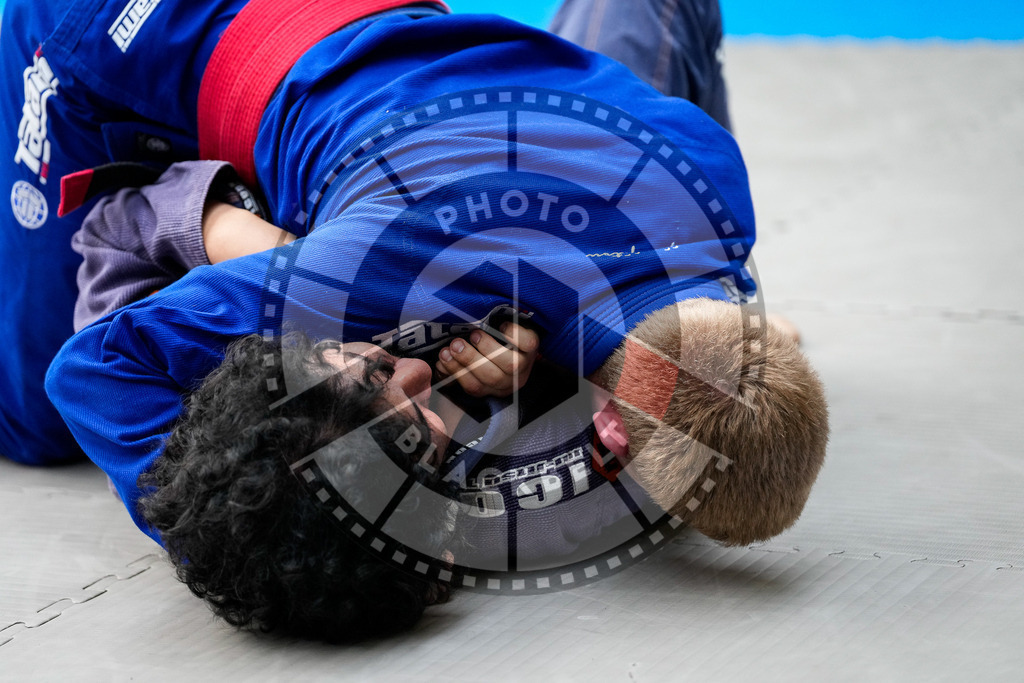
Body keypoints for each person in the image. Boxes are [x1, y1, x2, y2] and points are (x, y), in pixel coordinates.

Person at [4, 0, 828, 638]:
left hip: (396, 36)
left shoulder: (715, 181)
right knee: (33, 425)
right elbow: (92, 370)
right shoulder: (373, 280)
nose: (418, 378)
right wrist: (231, 537)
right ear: (610, 431)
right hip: (128, 30)